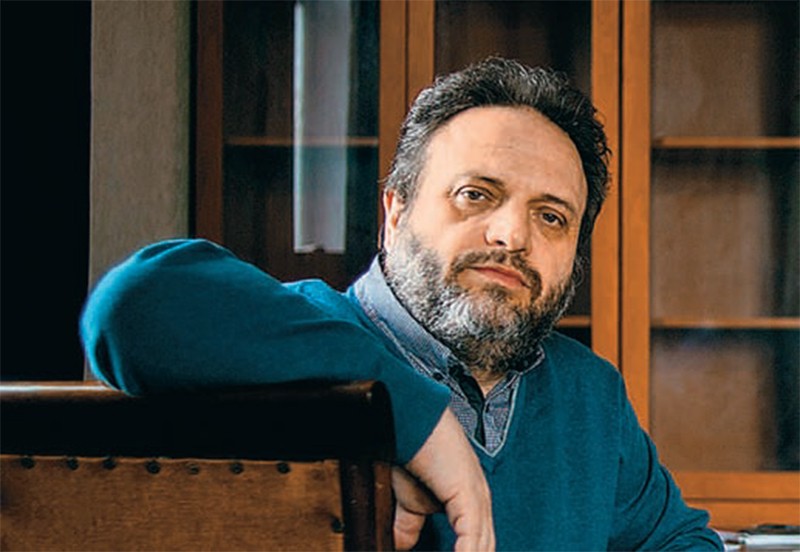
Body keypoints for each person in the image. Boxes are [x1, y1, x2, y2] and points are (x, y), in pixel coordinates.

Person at [80, 57, 723, 550]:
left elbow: (681, 543)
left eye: (551, 216)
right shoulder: (292, 337)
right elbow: (131, 306)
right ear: (395, 212)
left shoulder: (590, 393)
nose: (511, 235)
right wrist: (414, 418)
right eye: (476, 195)